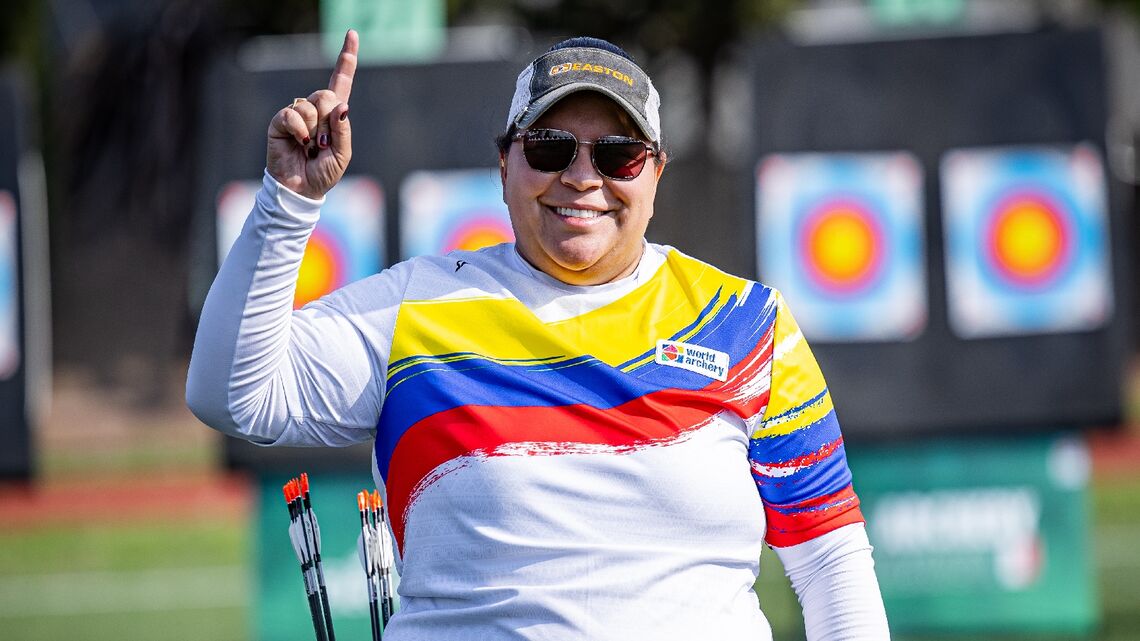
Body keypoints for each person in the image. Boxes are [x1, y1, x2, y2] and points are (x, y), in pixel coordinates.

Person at [187, 30, 891, 641]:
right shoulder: (417, 306)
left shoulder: (745, 323)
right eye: (551, 147)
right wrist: (289, 201)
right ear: (504, 164)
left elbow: (831, 559)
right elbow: (231, 393)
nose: (582, 177)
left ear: (656, 173)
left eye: (619, 154)